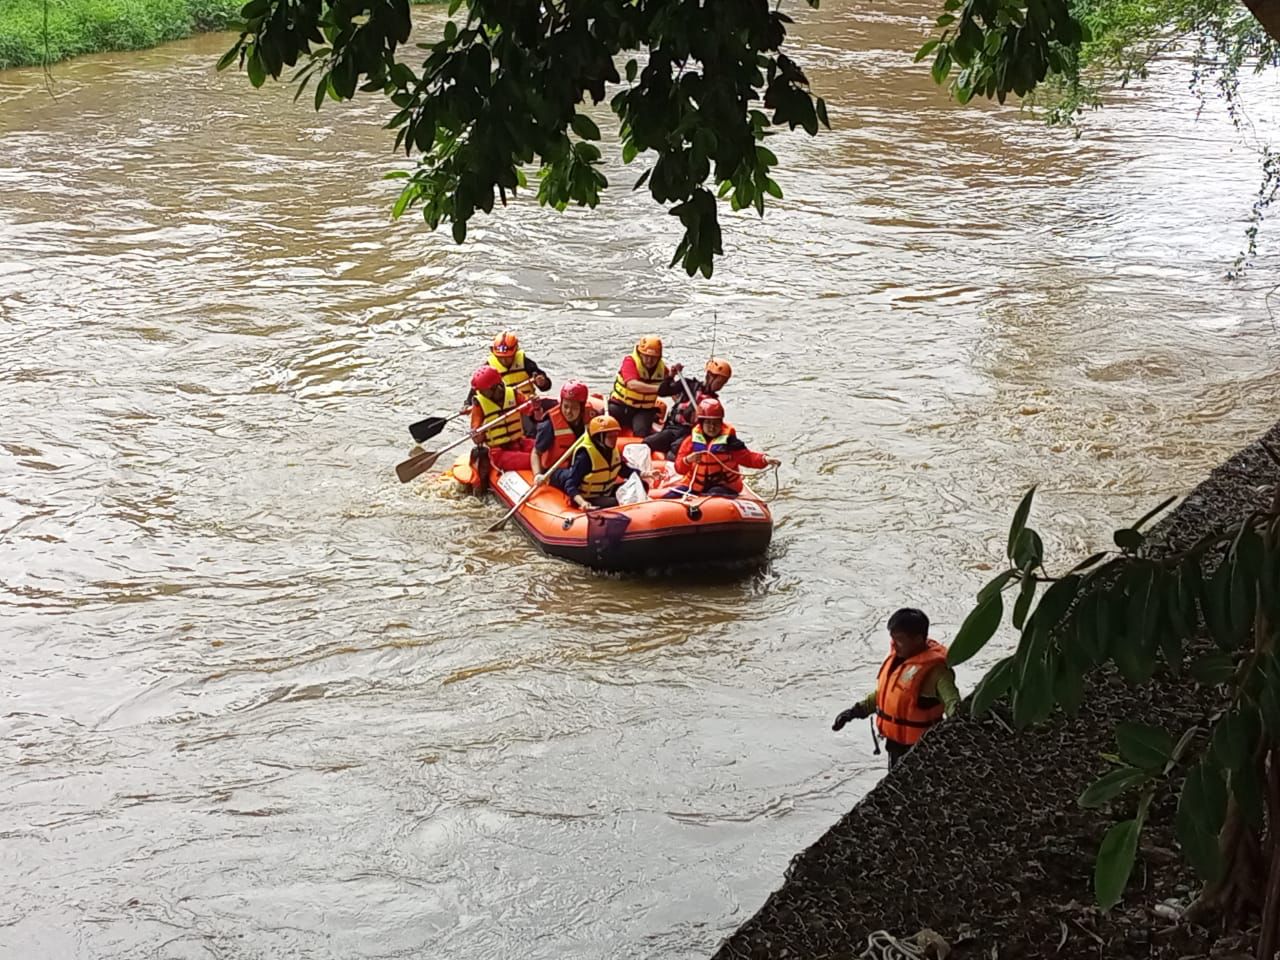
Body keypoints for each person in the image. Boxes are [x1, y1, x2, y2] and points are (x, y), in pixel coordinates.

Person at [832, 608, 960, 769]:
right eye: (892, 639)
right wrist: (854, 712)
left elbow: (952, 702)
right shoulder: (898, 659)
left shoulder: (937, 672)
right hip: (895, 746)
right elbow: (886, 696)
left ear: (918, 639)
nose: (894, 646)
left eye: (899, 640)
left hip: (924, 750)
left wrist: (958, 726)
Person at [668, 398, 778, 498]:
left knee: (714, 493)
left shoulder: (730, 442)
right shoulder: (690, 442)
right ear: (701, 423)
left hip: (724, 486)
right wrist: (688, 460)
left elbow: (748, 458)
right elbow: (679, 468)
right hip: (696, 485)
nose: (712, 427)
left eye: (716, 423)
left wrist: (765, 459)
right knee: (670, 496)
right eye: (708, 423)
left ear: (721, 423)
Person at [644, 356, 733, 455]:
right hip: (673, 428)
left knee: (675, 447)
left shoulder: (714, 403)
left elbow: (712, 428)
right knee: (647, 443)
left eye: (723, 383)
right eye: (719, 382)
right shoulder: (687, 384)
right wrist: (671, 375)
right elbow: (663, 392)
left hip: (691, 434)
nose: (720, 386)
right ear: (709, 376)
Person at [553, 415, 643, 510]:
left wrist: (643, 474)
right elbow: (570, 484)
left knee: (641, 484)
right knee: (613, 502)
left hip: (605, 492)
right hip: (587, 496)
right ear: (598, 438)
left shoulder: (612, 451)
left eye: (615, 436)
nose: (614, 440)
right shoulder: (585, 456)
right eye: (610, 437)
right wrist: (582, 502)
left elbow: (623, 470)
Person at [467, 366, 534, 490]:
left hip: (519, 442)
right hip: (499, 452)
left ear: (495, 387)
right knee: (535, 459)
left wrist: (534, 404)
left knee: (546, 449)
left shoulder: (513, 393)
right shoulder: (479, 404)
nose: (480, 393)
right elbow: (476, 435)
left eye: (483, 391)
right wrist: (477, 434)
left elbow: (530, 410)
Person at [608, 335, 684, 437]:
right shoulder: (630, 362)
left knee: (641, 432)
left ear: (659, 357)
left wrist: (682, 405)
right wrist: (659, 389)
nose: (649, 360)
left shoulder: (662, 369)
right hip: (621, 405)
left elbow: (671, 391)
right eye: (646, 356)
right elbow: (632, 384)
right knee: (609, 424)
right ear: (640, 354)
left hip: (643, 410)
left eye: (653, 357)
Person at [461, 330, 553, 411]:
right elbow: (476, 390)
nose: (504, 361)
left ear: (516, 350)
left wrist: (542, 382)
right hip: (502, 409)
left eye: (508, 357)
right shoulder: (487, 368)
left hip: (527, 404)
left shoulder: (526, 363)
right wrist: (468, 404)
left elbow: (546, 387)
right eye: (500, 357)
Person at [531, 380, 589, 477]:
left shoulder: (590, 417)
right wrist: (537, 475)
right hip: (555, 471)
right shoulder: (549, 425)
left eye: (574, 408)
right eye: (565, 406)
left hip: (577, 464)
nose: (568, 411)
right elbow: (536, 452)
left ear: (582, 408)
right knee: (573, 475)